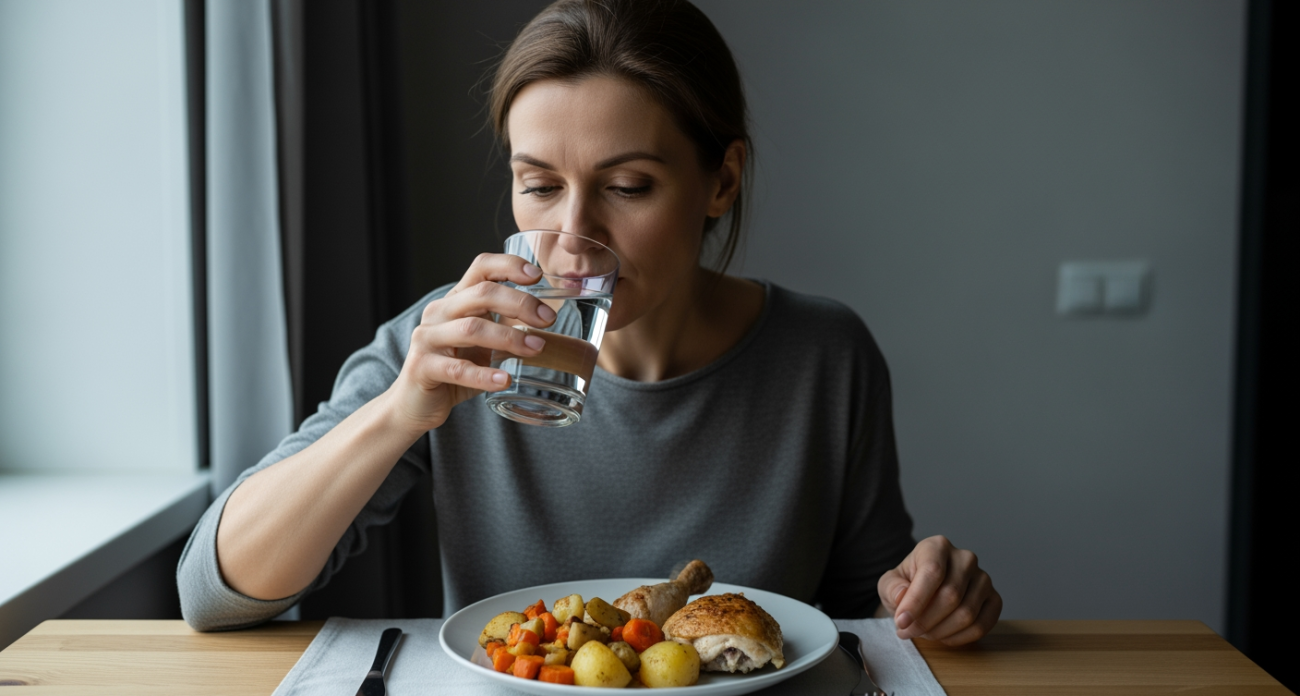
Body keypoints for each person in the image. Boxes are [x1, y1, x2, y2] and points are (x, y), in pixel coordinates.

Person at [178, 0, 1002, 646]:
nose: (575, 238)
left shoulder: (826, 356)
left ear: (721, 181)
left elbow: (869, 616)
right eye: (539, 185)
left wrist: (929, 594)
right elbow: (214, 591)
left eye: (629, 185)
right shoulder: (445, 347)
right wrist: (401, 411)